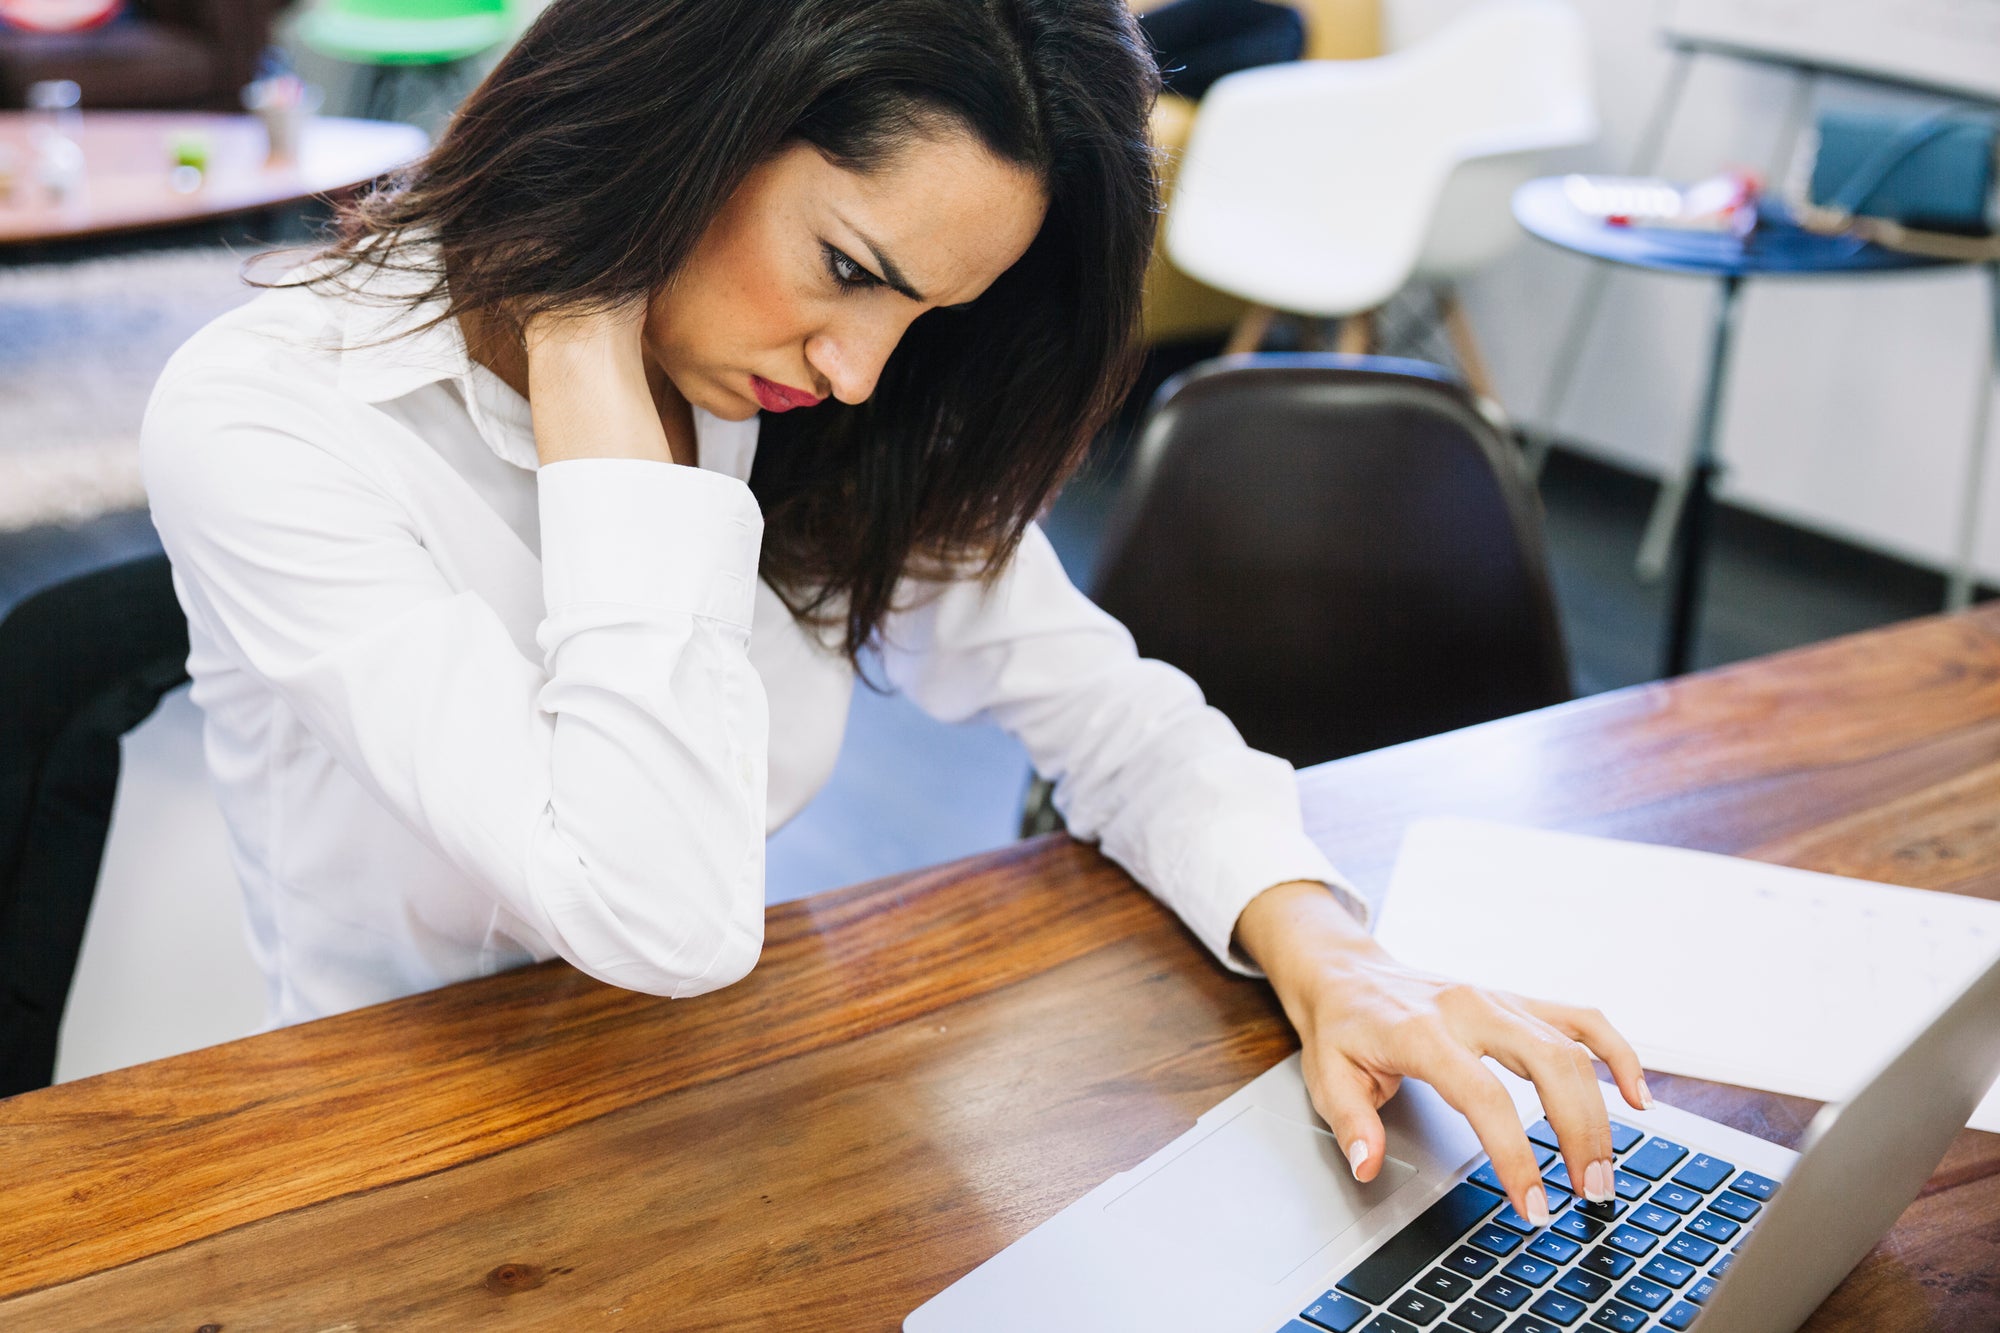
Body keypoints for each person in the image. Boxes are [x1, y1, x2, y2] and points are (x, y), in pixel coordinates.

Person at [141, 0, 1647, 1232]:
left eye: (921, 313)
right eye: (848, 270)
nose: (860, 367)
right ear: (678, 119)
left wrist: (1329, 945)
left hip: (711, 1111)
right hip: (390, 1168)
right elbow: (656, 911)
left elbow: (1114, 721)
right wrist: (591, 363)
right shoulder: (275, 417)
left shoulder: (814, 401)